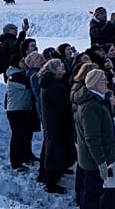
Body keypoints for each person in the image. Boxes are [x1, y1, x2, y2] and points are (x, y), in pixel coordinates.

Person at [72, 68, 115, 209]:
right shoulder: (90, 106)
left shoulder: (98, 101)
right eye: (103, 80)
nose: (107, 82)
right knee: (92, 195)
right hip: (93, 162)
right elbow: (92, 138)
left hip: (94, 159)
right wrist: (101, 160)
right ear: (95, 83)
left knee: (96, 193)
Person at [38, 57, 75, 194]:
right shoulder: (54, 86)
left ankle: (50, 172)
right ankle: (50, 181)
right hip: (56, 122)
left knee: (52, 147)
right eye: (60, 66)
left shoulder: (50, 83)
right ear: (53, 69)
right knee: (53, 150)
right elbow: (64, 106)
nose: (63, 67)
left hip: (52, 121)